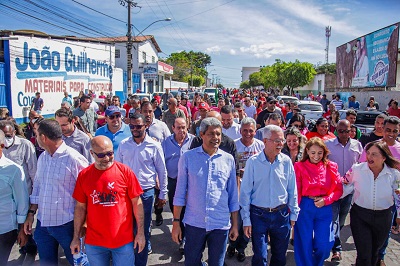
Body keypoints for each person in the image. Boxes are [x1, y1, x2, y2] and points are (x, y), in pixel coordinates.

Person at [172, 117, 239, 266]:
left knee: (217, 263)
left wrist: (235, 224)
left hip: (220, 224)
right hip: (194, 222)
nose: (215, 138)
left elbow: (233, 195)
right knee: (192, 262)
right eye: (211, 134)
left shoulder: (228, 159)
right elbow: (180, 193)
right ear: (201, 135)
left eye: (218, 134)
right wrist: (176, 223)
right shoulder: (188, 158)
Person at [70, 136, 145, 265]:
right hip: (94, 243)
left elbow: (137, 203)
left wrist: (140, 233)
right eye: (101, 155)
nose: (106, 158)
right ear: (92, 153)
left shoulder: (125, 172)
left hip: (123, 241)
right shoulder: (84, 176)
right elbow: (80, 207)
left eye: (110, 153)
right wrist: (76, 238)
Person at [23, 119, 89, 266]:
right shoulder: (43, 158)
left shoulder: (73, 158)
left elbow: (88, 192)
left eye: (37, 134)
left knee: (78, 262)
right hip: (43, 225)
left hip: (68, 226)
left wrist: (83, 225)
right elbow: (38, 188)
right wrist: (31, 214)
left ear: (43, 137)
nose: (35, 137)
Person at [240, 125, 300, 265]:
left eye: (282, 141)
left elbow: (292, 189)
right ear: (265, 141)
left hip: (281, 215)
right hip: (259, 215)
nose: (280, 144)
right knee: (260, 256)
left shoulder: (286, 162)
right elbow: (245, 193)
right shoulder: (253, 162)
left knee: (279, 256)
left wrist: (294, 214)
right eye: (277, 140)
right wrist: (246, 220)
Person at [115, 113, 168, 265]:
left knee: (142, 231)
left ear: (146, 126)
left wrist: (163, 193)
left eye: (139, 126)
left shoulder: (154, 145)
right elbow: (117, 169)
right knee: (125, 229)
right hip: (125, 194)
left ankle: (140, 262)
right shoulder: (124, 144)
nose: (135, 129)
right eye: (132, 126)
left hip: (145, 193)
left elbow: (162, 171)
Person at [343, 141, 400, 266]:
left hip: (383, 217)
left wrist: (399, 216)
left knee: (375, 253)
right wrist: (328, 198)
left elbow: (398, 196)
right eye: (368, 153)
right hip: (360, 216)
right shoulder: (356, 169)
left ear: (384, 157)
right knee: (364, 254)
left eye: (374, 154)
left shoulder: (394, 174)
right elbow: (344, 186)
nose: (369, 157)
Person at [294, 137, 343, 266]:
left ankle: (317, 263)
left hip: (324, 207)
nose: (316, 156)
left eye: (320, 153)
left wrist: (326, 200)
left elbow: (338, 190)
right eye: (313, 152)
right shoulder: (299, 166)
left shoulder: (331, 167)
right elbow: (296, 190)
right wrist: (293, 211)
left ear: (324, 152)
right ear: (307, 152)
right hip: (305, 205)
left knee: (324, 244)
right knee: (304, 241)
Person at [325, 120, 363, 261]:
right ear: (336, 131)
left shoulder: (357, 145)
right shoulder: (328, 145)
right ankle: (336, 250)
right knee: (333, 219)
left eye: (347, 131)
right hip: (333, 190)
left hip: (349, 190)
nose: (344, 134)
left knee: (341, 220)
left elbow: (361, 165)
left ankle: (335, 242)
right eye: (341, 131)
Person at [227, 117, 264, 262]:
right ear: (240, 131)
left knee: (248, 222)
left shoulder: (261, 146)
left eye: (251, 130)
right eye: (245, 130)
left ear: (255, 131)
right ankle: (232, 244)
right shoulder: (234, 145)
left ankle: (241, 248)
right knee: (236, 221)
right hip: (237, 190)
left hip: (255, 192)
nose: (248, 133)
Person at [162, 117, 195, 254]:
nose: (181, 130)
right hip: (173, 181)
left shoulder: (194, 141)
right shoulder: (166, 143)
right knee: (176, 210)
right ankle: (181, 234)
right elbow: (161, 162)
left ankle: (187, 238)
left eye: (183, 127)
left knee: (190, 209)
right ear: (173, 128)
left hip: (191, 182)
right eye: (178, 128)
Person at [0, 129, 29, 265]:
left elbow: (22, 202)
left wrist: (22, 230)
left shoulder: (13, 170)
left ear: (2, 146)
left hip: (5, 229)